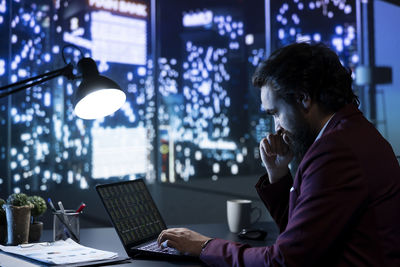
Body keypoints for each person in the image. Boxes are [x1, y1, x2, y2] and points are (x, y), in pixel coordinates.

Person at [157, 42, 400, 266]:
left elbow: (284, 260)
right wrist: (278, 174)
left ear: (304, 99)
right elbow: (303, 238)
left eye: (276, 113)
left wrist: (203, 246)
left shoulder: (336, 151)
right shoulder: (353, 133)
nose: (277, 127)